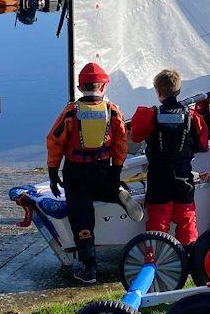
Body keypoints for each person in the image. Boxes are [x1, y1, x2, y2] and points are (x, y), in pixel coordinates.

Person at [46, 62, 143, 284]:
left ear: (80, 87)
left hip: (76, 173)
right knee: (104, 189)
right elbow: (121, 143)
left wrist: (53, 173)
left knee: (81, 217)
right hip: (103, 168)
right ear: (104, 87)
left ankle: (89, 268)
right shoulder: (112, 111)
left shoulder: (71, 112)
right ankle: (115, 191)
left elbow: (54, 141)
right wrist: (116, 170)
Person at [130, 69, 209, 252]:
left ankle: (157, 258)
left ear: (158, 92)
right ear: (179, 91)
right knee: (186, 218)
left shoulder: (149, 115)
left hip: (159, 178)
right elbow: (202, 145)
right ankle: (189, 258)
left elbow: (135, 135)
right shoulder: (192, 117)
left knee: (158, 222)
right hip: (183, 176)